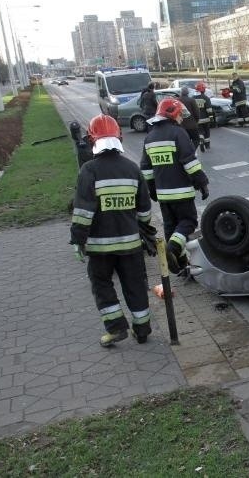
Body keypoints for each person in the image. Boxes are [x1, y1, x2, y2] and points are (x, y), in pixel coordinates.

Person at [70, 114, 157, 348]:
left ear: (92, 140)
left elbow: (83, 212)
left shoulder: (89, 170)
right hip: (131, 245)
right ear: (118, 136)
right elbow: (145, 210)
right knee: (136, 285)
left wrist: (78, 241)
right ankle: (142, 330)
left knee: (101, 284)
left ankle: (116, 327)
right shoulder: (131, 168)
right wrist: (143, 230)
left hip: (100, 247)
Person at [140, 98, 210, 275]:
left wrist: (152, 189)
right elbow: (190, 162)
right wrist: (202, 183)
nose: (181, 118)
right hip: (182, 192)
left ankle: (179, 265)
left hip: (163, 195)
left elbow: (146, 169)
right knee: (188, 222)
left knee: (171, 227)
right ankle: (171, 250)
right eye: (179, 114)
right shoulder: (178, 133)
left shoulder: (149, 138)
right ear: (172, 114)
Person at [193, 81, 214, 151]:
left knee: (200, 131)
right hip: (206, 119)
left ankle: (201, 139)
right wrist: (211, 118)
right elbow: (209, 109)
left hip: (197, 119)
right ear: (203, 89)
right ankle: (207, 145)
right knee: (207, 131)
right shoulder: (205, 98)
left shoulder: (192, 99)